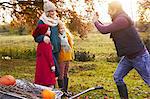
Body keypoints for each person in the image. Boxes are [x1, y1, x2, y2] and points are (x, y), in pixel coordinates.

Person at [93, 1, 150, 99]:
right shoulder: (118, 20)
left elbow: (104, 30)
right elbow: (107, 28)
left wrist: (95, 21)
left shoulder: (122, 19)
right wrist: (98, 20)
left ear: (115, 9)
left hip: (140, 57)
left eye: (109, 10)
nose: (108, 12)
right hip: (128, 57)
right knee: (117, 77)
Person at [33, 0, 61, 78]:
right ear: (47, 12)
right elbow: (36, 36)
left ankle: (57, 89)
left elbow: (58, 33)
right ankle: (50, 88)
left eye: (54, 11)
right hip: (47, 50)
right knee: (55, 70)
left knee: (56, 70)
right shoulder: (42, 21)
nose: (53, 13)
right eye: (51, 11)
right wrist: (43, 38)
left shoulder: (55, 21)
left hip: (56, 48)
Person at [57, 21, 74, 95]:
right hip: (61, 57)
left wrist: (71, 55)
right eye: (60, 29)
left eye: (63, 28)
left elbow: (71, 46)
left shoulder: (67, 35)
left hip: (67, 56)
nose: (62, 30)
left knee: (66, 73)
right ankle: (61, 91)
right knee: (61, 73)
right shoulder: (57, 36)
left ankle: (65, 90)